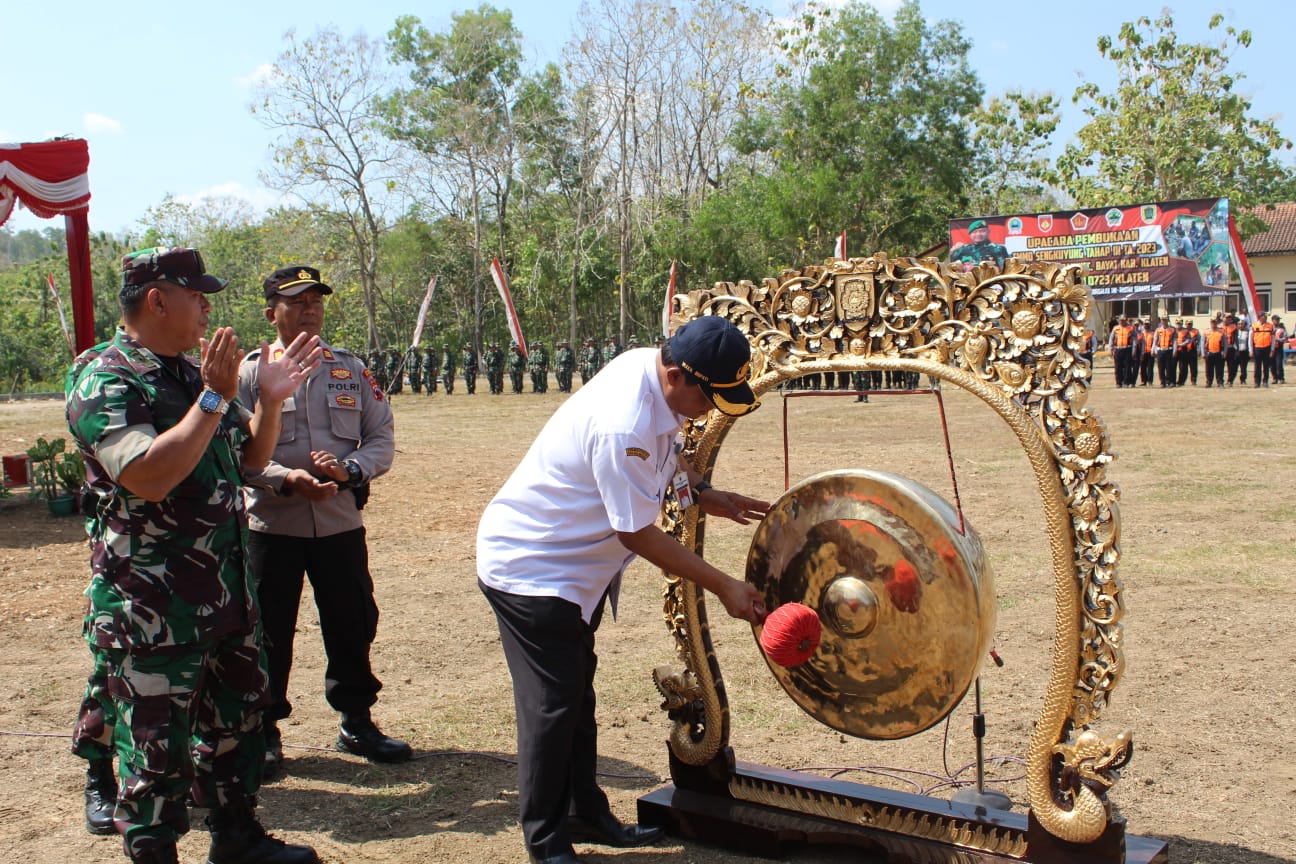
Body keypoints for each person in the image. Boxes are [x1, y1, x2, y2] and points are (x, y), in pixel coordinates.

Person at [477, 316, 770, 864]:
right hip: (535, 568)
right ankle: (546, 842)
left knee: (573, 697)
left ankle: (583, 813)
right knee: (550, 708)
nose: (709, 410)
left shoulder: (650, 370)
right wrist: (726, 586)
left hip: (573, 571)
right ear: (678, 373)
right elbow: (636, 533)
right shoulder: (624, 423)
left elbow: (670, 448)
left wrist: (703, 492)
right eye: (709, 397)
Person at [66, 246, 321, 864]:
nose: (209, 306)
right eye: (197, 295)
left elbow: (251, 462)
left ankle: (238, 838)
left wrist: (272, 401)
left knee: (236, 726)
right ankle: (154, 850)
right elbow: (148, 477)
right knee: (156, 744)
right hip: (153, 603)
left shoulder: (188, 370)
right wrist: (211, 399)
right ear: (157, 299)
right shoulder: (108, 374)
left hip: (224, 593)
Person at [238, 266, 412, 781]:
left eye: (316, 301)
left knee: (352, 620)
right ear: (272, 313)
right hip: (272, 526)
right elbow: (238, 452)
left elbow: (380, 435)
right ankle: (264, 731)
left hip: (338, 522)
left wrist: (351, 469)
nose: (310, 310)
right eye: (297, 302)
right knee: (267, 630)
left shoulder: (350, 369)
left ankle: (356, 721)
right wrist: (287, 478)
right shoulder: (249, 374)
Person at [1251, 312, 1274, 388]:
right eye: (1262, 316)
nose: (1264, 318)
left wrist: (1272, 349)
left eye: (1265, 316)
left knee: (1266, 366)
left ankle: (1265, 381)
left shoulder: (1270, 326)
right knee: (1257, 366)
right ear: (1259, 317)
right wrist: (1251, 349)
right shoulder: (1254, 325)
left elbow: (1273, 339)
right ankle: (1257, 382)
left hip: (1267, 348)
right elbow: (1250, 339)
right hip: (1257, 347)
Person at [1203, 318, 1226, 388]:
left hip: (1219, 352)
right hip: (1209, 352)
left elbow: (1225, 343)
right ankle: (1209, 382)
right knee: (1209, 369)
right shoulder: (1206, 331)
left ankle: (1220, 382)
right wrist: (1203, 353)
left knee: (1219, 369)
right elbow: (1202, 342)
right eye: (1212, 322)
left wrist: (1225, 352)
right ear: (1210, 323)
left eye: (1215, 322)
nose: (1213, 324)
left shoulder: (1221, 331)